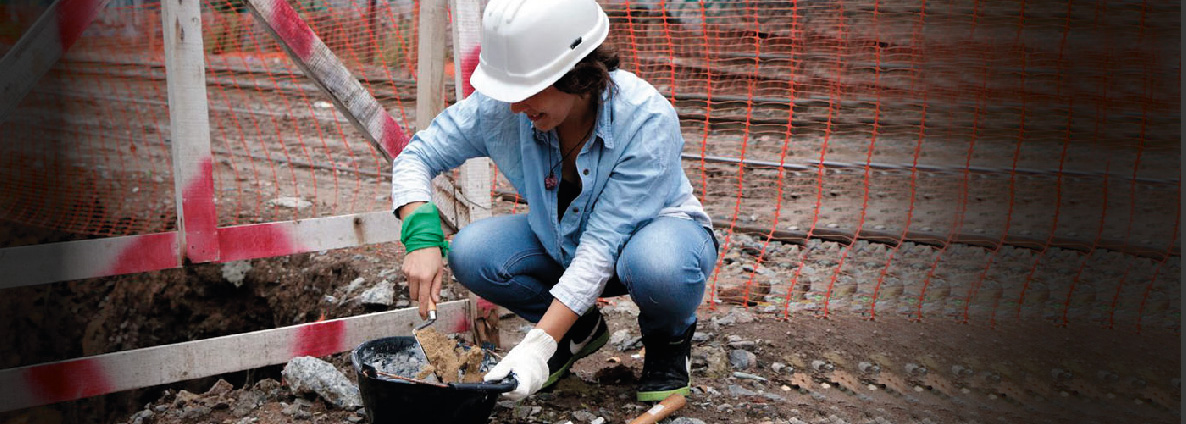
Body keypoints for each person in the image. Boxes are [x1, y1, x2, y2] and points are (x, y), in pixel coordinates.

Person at [391, 0, 717, 402]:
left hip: (650, 239)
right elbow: (417, 154)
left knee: (661, 268)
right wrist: (421, 236)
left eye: (524, 90)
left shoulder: (646, 119)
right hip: (566, 243)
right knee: (473, 252)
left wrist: (535, 347)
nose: (513, 106)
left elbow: (601, 247)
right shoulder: (503, 111)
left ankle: (668, 343)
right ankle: (578, 332)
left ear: (577, 74)